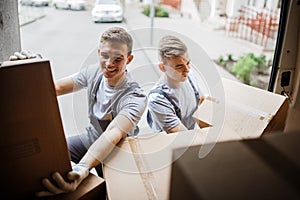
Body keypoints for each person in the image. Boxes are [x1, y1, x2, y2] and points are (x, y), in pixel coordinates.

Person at [10, 27, 147, 196]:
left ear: (129, 59)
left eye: (118, 58)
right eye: (105, 55)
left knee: (113, 193)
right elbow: (55, 88)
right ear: (99, 53)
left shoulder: (135, 97)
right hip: (91, 138)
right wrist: (29, 70)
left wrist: (83, 167)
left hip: (119, 150)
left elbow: (113, 132)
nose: (109, 63)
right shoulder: (93, 73)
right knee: (50, 158)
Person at [147, 35, 204, 134]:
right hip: (172, 144)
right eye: (179, 66)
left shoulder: (189, 76)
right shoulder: (158, 99)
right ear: (162, 67)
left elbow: (202, 102)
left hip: (189, 136)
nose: (187, 69)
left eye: (188, 63)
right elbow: (182, 137)